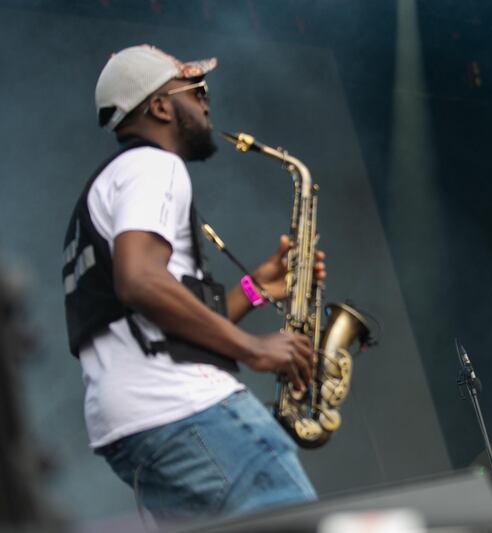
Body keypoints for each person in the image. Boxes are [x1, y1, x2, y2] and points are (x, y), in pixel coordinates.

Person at [61, 44, 324, 522]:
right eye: (195, 89)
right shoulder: (154, 166)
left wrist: (254, 290)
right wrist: (253, 348)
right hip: (184, 407)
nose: (206, 101)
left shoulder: (110, 183)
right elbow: (139, 281)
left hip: (136, 424)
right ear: (160, 106)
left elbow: (156, 316)